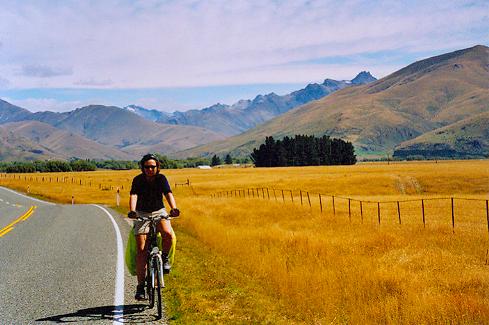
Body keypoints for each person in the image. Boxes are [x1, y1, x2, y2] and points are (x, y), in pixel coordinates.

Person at [127, 154, 180, 301]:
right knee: (142, 250)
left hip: (159, 211)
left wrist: (174, 208)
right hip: (141, 212)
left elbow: (168, 193)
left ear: (157, 167)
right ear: (142, 168)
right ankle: (140, 287)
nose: (150, 169)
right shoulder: (138, 180)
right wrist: (132, 211)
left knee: (168, 234)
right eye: (147, 167)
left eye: (153, 166)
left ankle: (164, 259)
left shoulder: (161, 179)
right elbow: (134, 195)